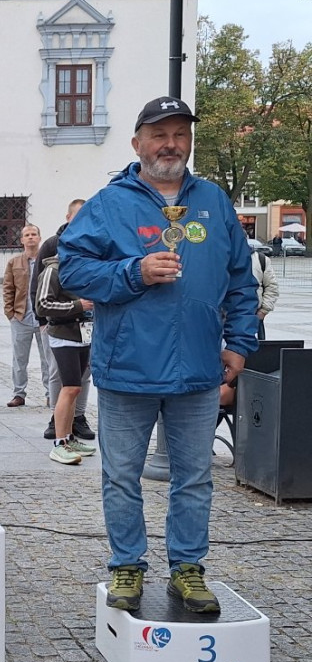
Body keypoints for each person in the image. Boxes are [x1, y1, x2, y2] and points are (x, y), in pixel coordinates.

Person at [59, 96, 259, 614]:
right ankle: (127, 565)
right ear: (137, 143)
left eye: (179, 134)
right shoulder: (110, 203)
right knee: (121, 475)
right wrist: (133, 273)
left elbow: (241, 278)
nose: (170, 144)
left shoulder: (213, 201)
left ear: (189, 141)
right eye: (159, 134)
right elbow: (73, 271)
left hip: (197, 370)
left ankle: (187, 570)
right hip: (129, 370)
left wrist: (238, 343)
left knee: (193, 478)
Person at [29, 199, 95, 441]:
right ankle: (59, 429)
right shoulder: (52, 253)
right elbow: (39, 292)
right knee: (62, 380)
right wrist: (42, 320)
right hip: (61, 329)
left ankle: (75, 422)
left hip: (84, 329)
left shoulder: (92, 246)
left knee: (80, 380)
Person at [35, 252, 97, 464]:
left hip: (83, 334)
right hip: (63, 336)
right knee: (69, 387)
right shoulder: (53, 270)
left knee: (76, 388)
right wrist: (78, 306)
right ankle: (59, 443)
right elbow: (42, 305)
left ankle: (69, 437)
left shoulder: (81, 266)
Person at [2, 224, 51, 408]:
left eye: (34, 234)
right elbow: (8, 288)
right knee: (19, 359)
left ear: (39, 238)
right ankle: (18, 393)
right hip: (21, 317)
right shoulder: (14, 263)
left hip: (43, 318)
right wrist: (11, 313)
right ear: (21, 240)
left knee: (47, 358)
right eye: (27, 235)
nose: (30, 237)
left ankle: (50, 394)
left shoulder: (47, 261)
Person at [251, 244, 278, 340]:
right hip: (226, 316)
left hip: (255, 314)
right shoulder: (221, 258)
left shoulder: (260, 260)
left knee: (259, 351)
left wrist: (263, 311)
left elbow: (271, 286)